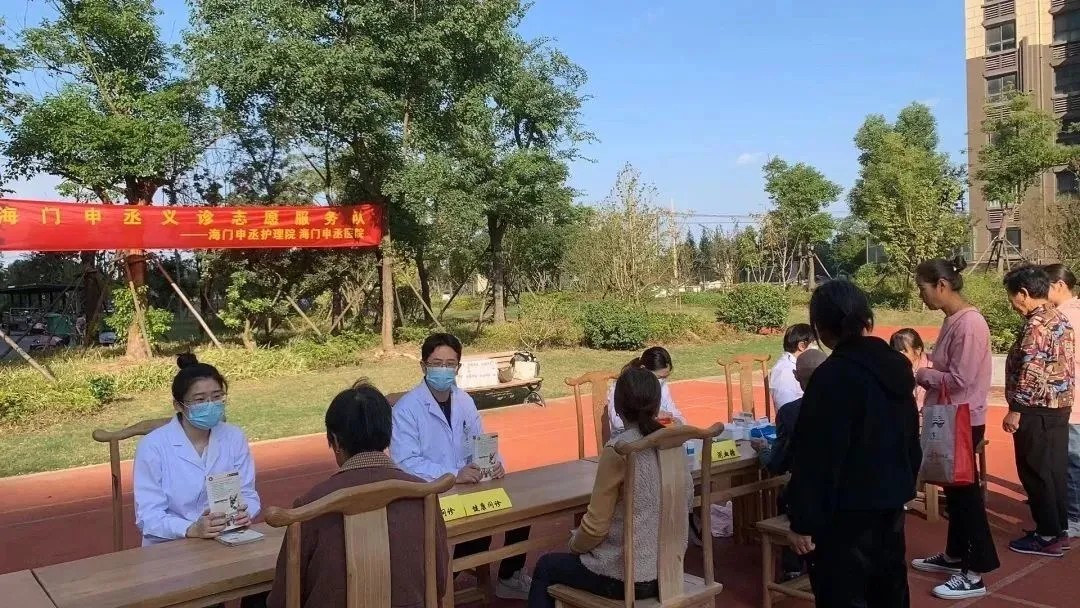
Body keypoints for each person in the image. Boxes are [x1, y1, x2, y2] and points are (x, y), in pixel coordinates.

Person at [785, 280, 921, 608]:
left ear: (820, 329)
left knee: (844, 594)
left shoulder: (831, 376)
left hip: (845, 514)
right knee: (890, 590)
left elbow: (814, 456)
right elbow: (910, 435)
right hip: (890, 503)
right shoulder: (897, 368)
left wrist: (801, 520)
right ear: (867, 320)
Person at [267, 381, 448, 608]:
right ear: (389, 434)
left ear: (335, 441)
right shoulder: (423, 494)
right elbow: (440, 580)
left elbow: (283, 599)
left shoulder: (310, 506)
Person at [528, 368, 693, 608]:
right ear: (657, 405)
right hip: (670, 571)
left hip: (624, 577)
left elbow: (595, 527)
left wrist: (575, 545)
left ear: (617, 407)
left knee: (546, 566)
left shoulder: (620, 448)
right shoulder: (674, 441)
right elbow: (688, 500)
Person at [390, 333, 532, 599]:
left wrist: (495, 464)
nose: (444, 370)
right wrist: (454, 475)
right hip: (431, 493)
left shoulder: (465, 401)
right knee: (473, 528)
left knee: (522, 506)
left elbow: (481, 441)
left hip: (468, 489)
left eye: (450, 364)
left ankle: (509, 575)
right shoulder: (406, 410)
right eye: (437, 363)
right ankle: (441, 582)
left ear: (458, 367)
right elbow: (404, 463)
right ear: (423, 366)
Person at [133, 354, 264, 608]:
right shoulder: (153, 447)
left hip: (226, 541)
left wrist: (244, 513)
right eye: (200, 400)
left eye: (217, 397)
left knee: (269, 584)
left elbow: (248, 493)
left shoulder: (234, 437)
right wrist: (192, 528)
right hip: (171, 550)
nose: (211, 405)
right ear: (179, 405)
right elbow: (148, 517)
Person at [907, 257, 1000, 600]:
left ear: (942, 285)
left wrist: (923, 374)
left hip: (963, 418)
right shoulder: (953, 320)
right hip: (950, 415)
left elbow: (961, 379)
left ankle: (976, 570)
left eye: (923, 288)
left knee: (965, 496)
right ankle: (956, 554)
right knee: (956, 492)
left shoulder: (970, 324)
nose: (921, 295)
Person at [1002, 265, 1075, 557]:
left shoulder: (1036, 324)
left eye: (1012, 297)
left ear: (1023, 293)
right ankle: (1057, 529)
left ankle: (1047, 535)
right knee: (1054, 470)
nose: (1012, 304)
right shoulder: (1059, 318)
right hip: (1058, 406)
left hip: (1036, 407)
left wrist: (1016, 409)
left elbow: (1031, 369)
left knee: (1036, 471)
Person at [751, 348, 827, 582]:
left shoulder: (791, 412)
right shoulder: (852, 406)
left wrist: (763, 449)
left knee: (789, 495)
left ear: (796, 376)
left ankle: (792, 565)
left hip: (809, 498)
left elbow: (777, 464)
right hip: (848, 494)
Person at [1045, 263, 1080, 540]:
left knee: (1071, 462)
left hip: (1071, 401)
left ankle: (1074, 517)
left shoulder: (1064, 317)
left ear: (1059, 285)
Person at [606, 347, 685, 433]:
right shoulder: (623, 387)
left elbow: (677, 415)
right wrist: (653, 416)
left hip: (658, 435)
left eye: (665, 377)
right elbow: (618, 422)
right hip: (629, 436)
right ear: (644, 369)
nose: (662, 381)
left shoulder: (663, 387)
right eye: (659, 377)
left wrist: (677, 421)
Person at [769, 324, 814, 411]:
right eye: (814, 343)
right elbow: (786, 409)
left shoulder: (800, 363)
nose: (816, 348)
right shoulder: (784, 372)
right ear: (802, 346)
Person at [890, 327, 928, 406]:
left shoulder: (933, 367)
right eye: (895, 351)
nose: (899, 355)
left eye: (904, 351)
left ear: (918, 350)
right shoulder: (890, 370)